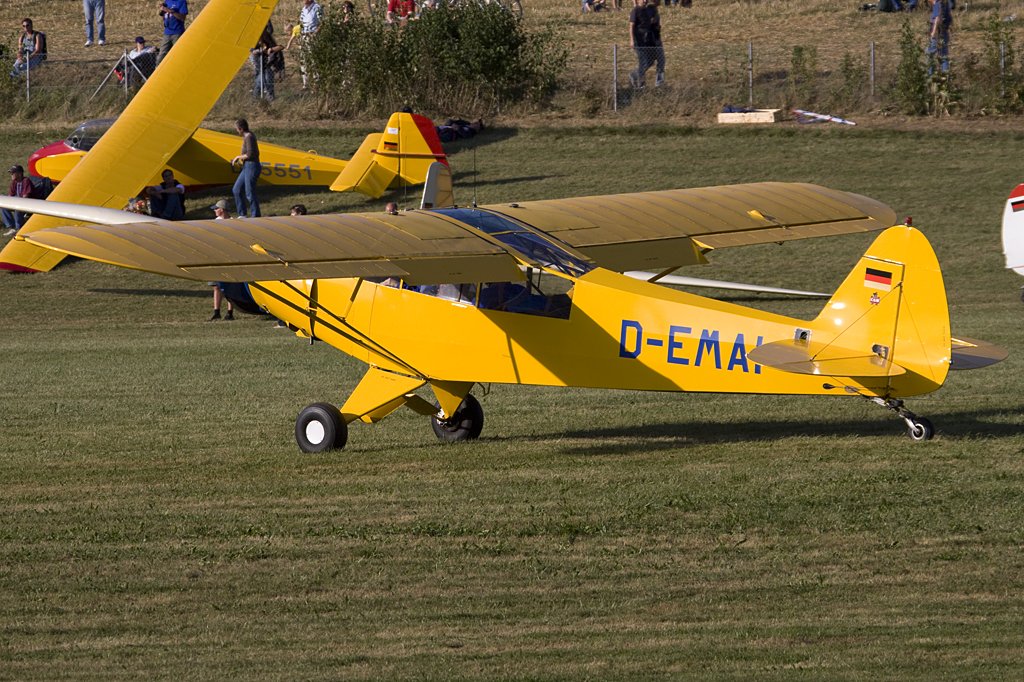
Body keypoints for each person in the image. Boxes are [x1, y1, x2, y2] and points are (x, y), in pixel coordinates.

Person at [208, 199, 235, 321]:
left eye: (216, 208)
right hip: (217, 256)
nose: (214, 210)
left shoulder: (234, 223)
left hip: (230, 257)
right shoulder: (215, 222)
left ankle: (230, 312)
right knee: (216, 286)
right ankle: (216, 311)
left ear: (222, 210)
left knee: (231, 286)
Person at [628, 0, 663, 89]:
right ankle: (641, 83)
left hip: (647, 40)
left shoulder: (648, 9)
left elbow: (657, 3)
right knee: (643, 60)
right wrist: (631, 40)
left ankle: (634, 74)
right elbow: (631, 26)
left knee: (650, 61)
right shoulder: (635, 10)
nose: (644, 1)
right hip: (638, 40)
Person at [232, 119, 261, 218]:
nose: (237, 131)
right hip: (246, 166)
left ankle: (255, 215)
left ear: (241, 129)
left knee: (249, 192)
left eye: (237, 129)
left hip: (252, 166)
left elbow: (250, 154)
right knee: (236, 189)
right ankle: (242, 214)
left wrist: (238, 157)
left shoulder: (249, 137)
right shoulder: (247, 136)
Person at [2, 165, 39, 236]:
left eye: (13, 173)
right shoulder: (14, 182)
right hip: (19, 202)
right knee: (3, 206)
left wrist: (15, 201)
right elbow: (10, 196)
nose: (11, 175)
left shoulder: (26, 181)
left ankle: (18, 228)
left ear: (19, 174)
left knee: (18, 207)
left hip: (29, 204)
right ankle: (11, 227)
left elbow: (25, 197)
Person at [252, 26, 284, 100]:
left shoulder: (267, 37)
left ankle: (269, 99)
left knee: (267, 81)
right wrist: (257, 51)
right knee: (259, 82)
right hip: (260, 64)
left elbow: (280, 47)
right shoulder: (254, 40)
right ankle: (257, 100)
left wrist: (270, 49)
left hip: (268, 64)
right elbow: (252, 51)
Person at [299, 0, 323, 88]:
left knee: (314, 59)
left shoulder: (317, 8)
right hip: (304, 36)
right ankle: (305, 83)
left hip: (313, 36)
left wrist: (315, 34)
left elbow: (322, 22)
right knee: (303, 60)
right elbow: (301, 22)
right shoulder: (303, 9)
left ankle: (317, 82)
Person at [157, 0, 188, 65]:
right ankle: (157, 70)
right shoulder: (167, 1)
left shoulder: (181, 2)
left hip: (177, 32)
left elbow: (182, 18)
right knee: (161, 55)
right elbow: (164, 17)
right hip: (167, 32)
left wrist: (171, 12)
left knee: (178, 54)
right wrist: (162, 11)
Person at [926, 0, 952, 74]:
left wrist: (933, 33)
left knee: (930, 54)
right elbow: (950, 19)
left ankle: (930, 76)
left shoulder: (938, 4)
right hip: (944, 31)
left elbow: (938, 18)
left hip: (938, 32)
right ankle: (945, 75)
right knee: (944, 55)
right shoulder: (946, 3)